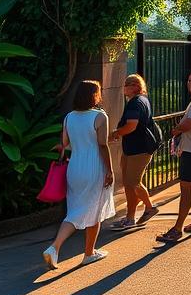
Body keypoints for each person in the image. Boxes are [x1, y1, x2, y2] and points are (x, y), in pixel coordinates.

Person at [42, 80, 116, 269]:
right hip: (94, 167)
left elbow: (65, 144)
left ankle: (54, 247)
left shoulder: (69, 117)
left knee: (75, 211)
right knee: (95, 210)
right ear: (95, 95)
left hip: (75, 167)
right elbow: (102, 145)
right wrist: (110, 170)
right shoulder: (100, 116)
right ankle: (89, 253)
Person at [156, 67, 191, 244]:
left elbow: (190, 122)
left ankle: (177, 229)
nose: (188, 84)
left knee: (186, 188)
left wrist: (177, 129)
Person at [109, 73, 159, 229]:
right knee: (129, 184)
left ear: (135, 87)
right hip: (133, 149)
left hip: (138, 149)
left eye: (126, 85)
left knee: (133, 182)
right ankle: (130, 218)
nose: (124, 88)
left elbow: (131, 125)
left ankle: (150, 207)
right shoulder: (141, 100)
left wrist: (116, 133)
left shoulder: (135, 103)